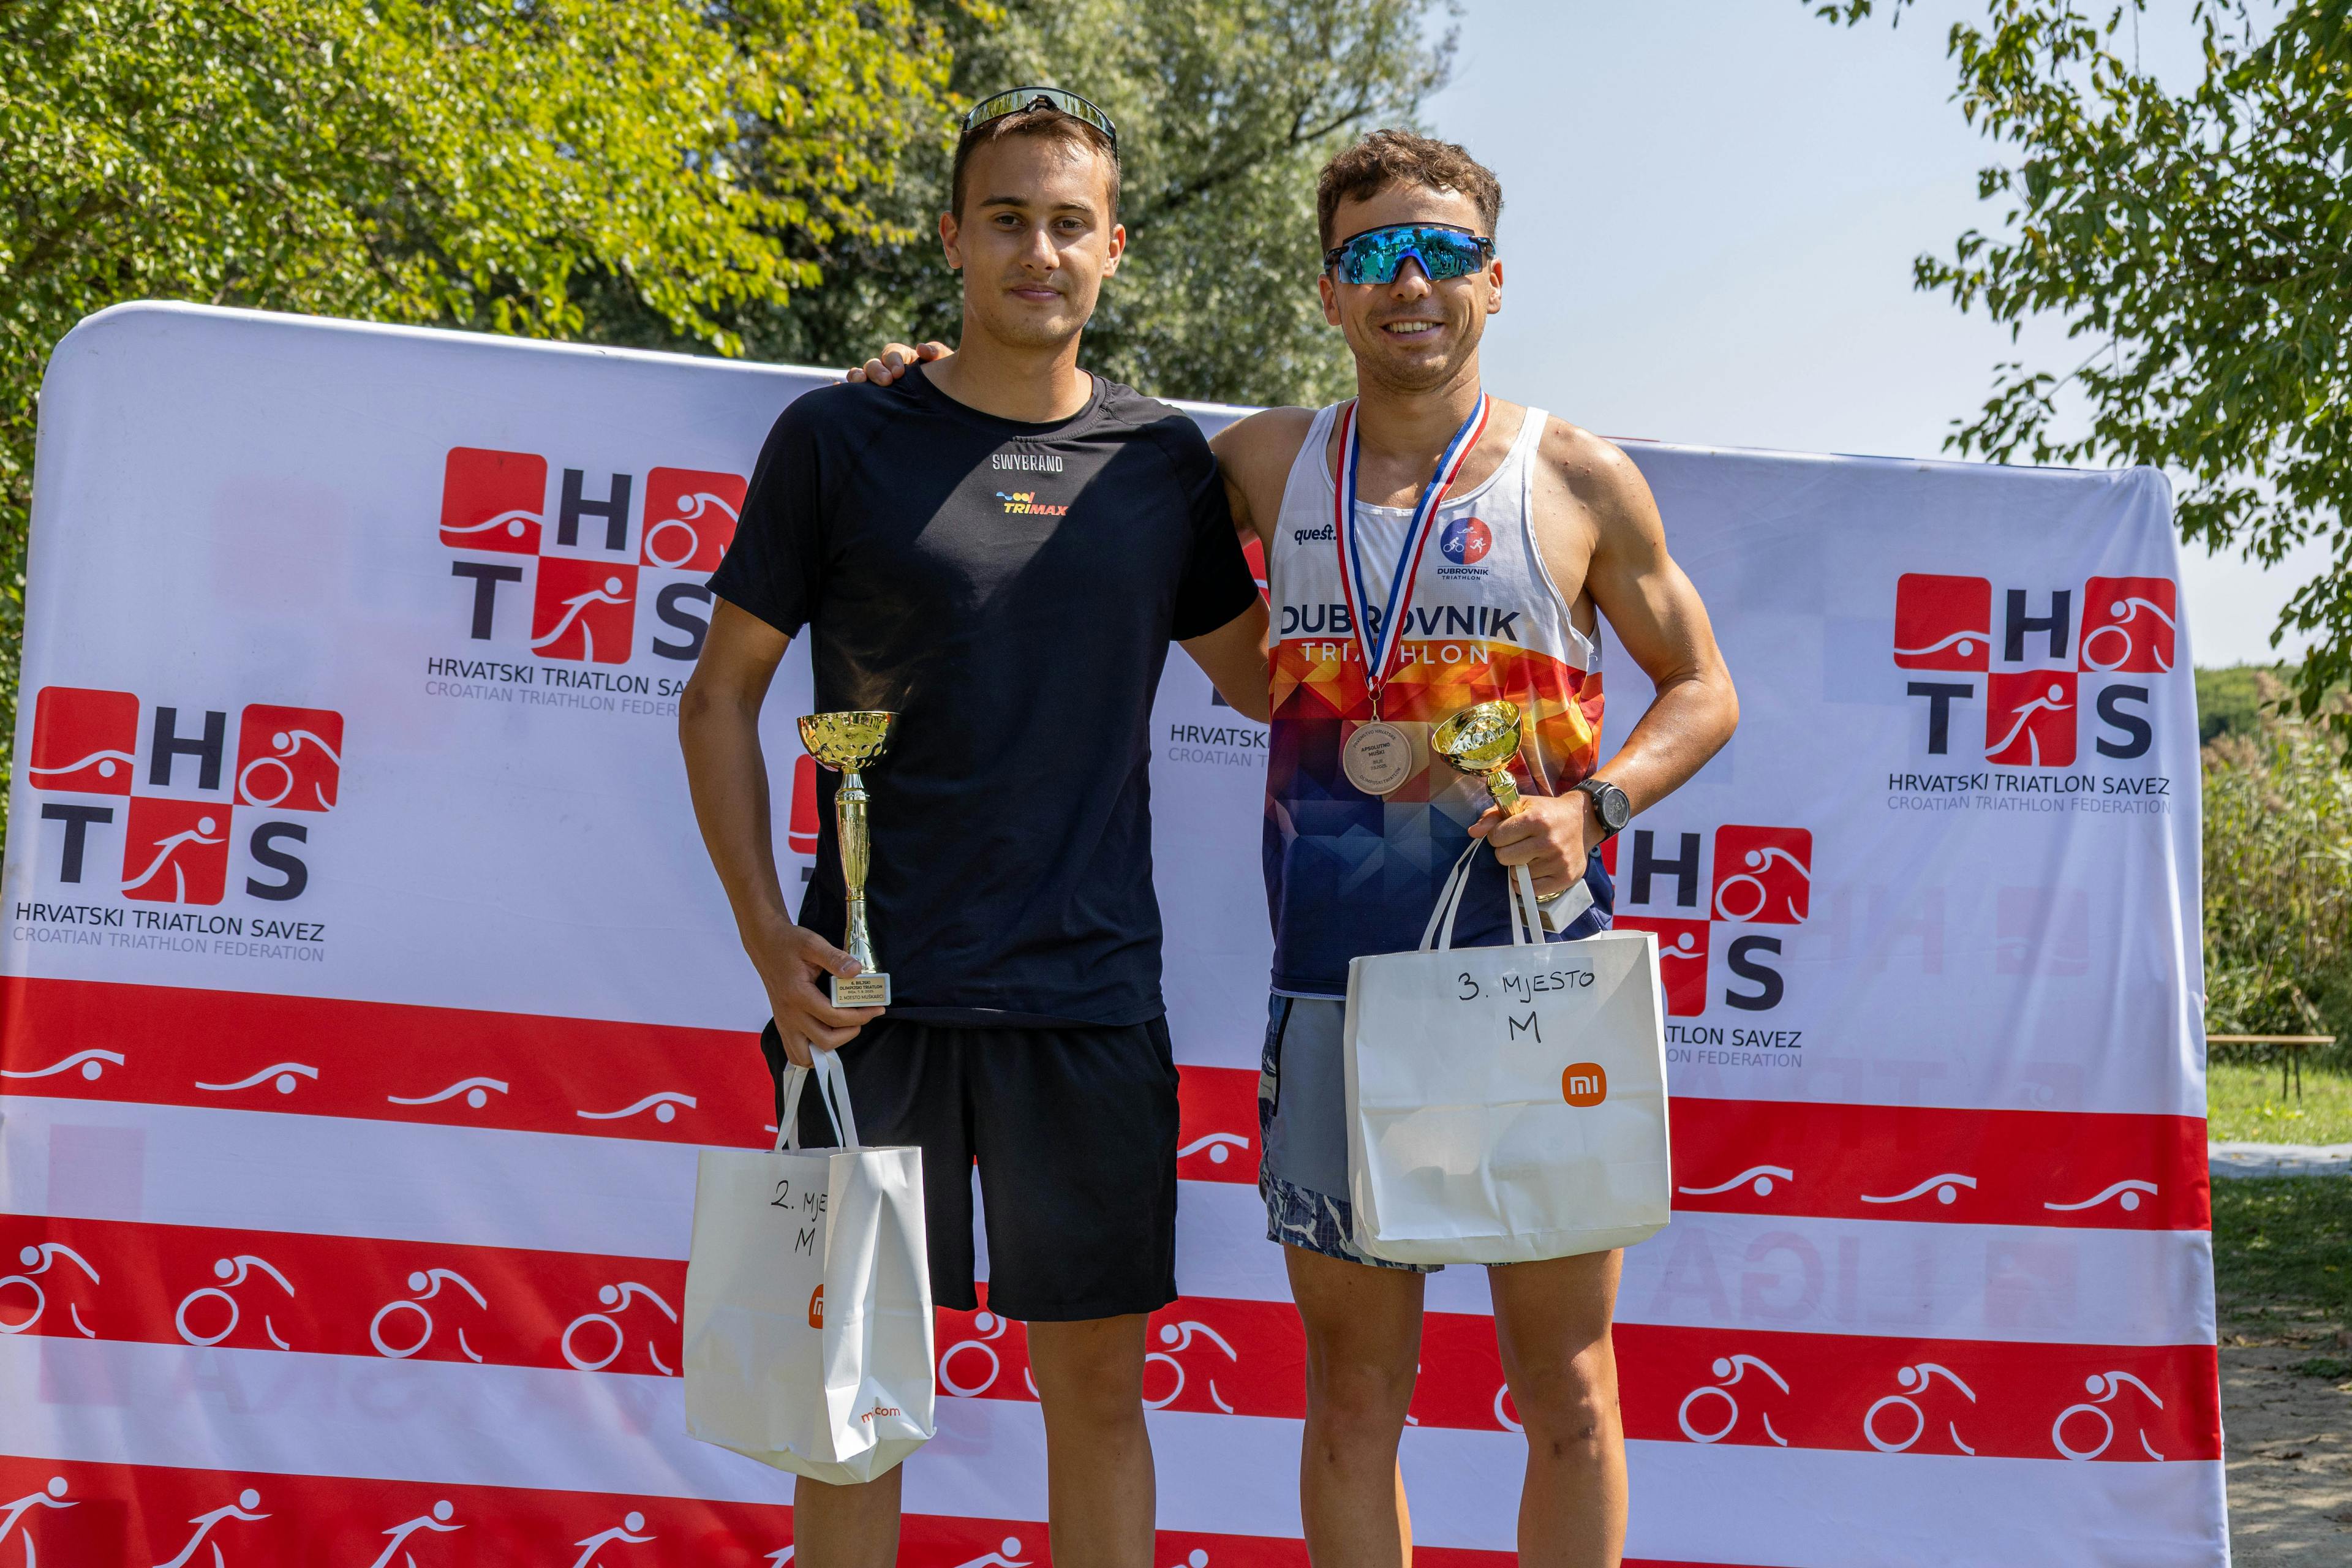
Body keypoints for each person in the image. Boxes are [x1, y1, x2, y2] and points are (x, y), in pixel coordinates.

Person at [856, 130, 1738, 1567]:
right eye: (1372, 253)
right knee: (1353, 1401)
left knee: (1569, 1394)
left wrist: (1600, 805)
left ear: (1494, 280)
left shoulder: (1578, 475)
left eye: (1442, 252)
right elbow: (1060, 470)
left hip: (1534, 983)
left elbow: (1704, 688)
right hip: (1336, 992)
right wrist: (934, 390)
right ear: (1330, 289)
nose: (1410, 281)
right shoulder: (1263, 462)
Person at [677, 87, 1271, 1568]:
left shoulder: (1163, 464)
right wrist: (765, 935)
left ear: (1115, 248)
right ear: (952, 236)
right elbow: (719, 698)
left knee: (1100, 1400)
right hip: (866, 997)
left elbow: (1269, 682)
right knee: (850, 1406)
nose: (1038, 251)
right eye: (1007, 218)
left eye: (1070, 223)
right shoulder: (839, 437)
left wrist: (1354, 495)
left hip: (1088, 997)